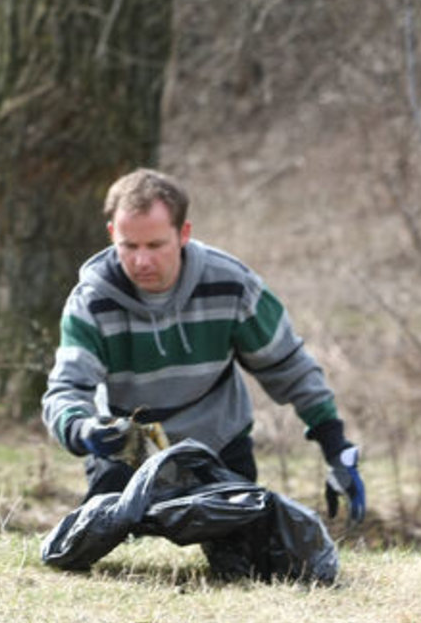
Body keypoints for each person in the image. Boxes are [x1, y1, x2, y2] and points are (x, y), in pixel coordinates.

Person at [42, 168, 366, 523]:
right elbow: (65, 390)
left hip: (220, 446)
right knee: (108, 554)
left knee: (244, 562)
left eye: (155, 245)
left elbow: (288, 367)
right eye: (128, 246)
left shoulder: (232, 285)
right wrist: (83, 429)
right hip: (125, 454)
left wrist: (335, 446)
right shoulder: (90, 302)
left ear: (183, 234)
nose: (142, 261)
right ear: (111, 235)